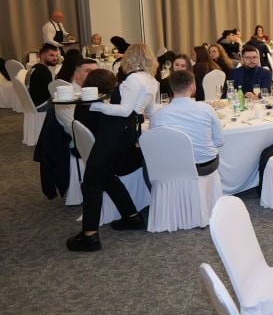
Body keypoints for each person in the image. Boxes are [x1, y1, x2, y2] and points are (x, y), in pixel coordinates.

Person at [66, 45, 158, 251]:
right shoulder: (152, 81)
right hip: (127, 134)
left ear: (130, 58)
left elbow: (124, 111)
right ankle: (131, 217)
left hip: (113, 134)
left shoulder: (133, 79)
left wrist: (94, 105)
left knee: (91, 181)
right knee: (106, 175)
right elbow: (150, 112)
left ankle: (90, 236)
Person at [149, 70, 224, 176]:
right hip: (206, 166)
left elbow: (155, 145)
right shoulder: (207, 109)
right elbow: (220, 142)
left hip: (174, 167)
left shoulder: (158, 115)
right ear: (192, 87)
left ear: (171, 87)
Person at [54, 58, 98, 134]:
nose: (94, 75)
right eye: (88, 71)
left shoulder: (96, 91)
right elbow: (75, 130)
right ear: (77, 74)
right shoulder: (67, 98)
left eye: (96, 72)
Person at [28, 43, 60, 109]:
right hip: (42, 105)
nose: (55, 58)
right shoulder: (44, 71)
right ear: (42, 55)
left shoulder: (35, 67)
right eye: (51, 55)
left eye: (56, 56)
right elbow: (50, 92)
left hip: (34, 104)